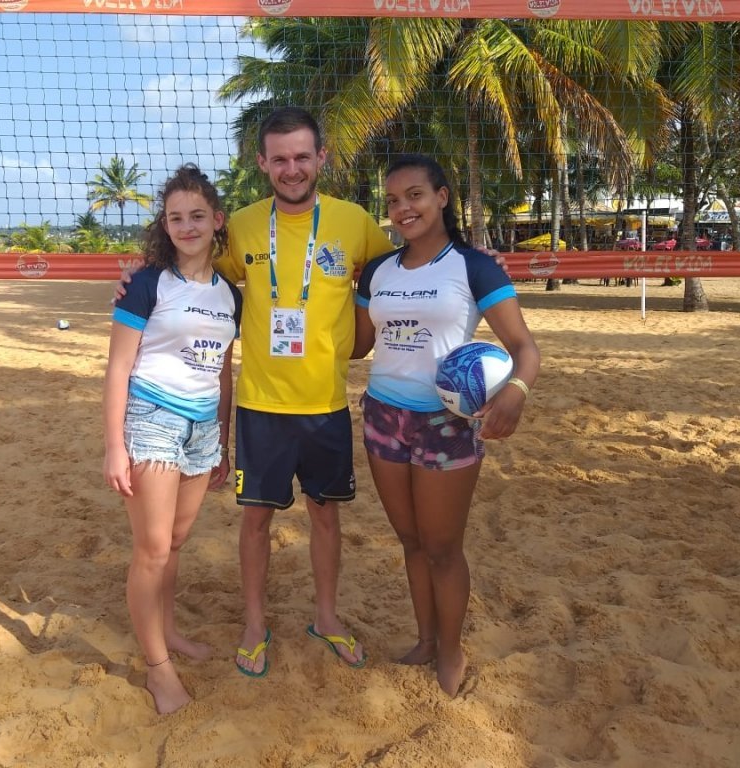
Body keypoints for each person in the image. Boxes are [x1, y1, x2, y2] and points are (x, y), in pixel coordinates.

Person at [115, 108, 509, 679]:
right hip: (259, 404)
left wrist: (481, 259)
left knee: (326, 518)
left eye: (302, 156)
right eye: (279, 158)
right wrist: (136, 275)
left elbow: (415, 254)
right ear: (262, 164)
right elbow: (189, 263)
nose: (292, 168)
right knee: (255, 522)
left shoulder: (354, 223)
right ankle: (254, 623)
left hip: (326, 403)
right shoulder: (243, 226)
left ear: (321, 157)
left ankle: (326, 616)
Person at [352, 154, 540, 697]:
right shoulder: (380, 271)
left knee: (442, 546)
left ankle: (452, 650)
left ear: (442, 197)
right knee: (409, 540)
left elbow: (525, 348)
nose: (402, 209)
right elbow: (361, 345)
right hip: (384, 415)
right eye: (392, 200)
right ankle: (427, 639)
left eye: (413, 195)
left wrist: (516, 392)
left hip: (446, 423)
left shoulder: (475, 267)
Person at [102, 164, 242, 714]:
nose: (186, 226)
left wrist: (222, 441)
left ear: (217, 220)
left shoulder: (230, 292)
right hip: (151, 418)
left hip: (203, 426)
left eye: (197, 216)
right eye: (176, 217)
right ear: (165, 224)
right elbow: (118, 368)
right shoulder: (147, 283)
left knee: (176, 544)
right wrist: (116, 445)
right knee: (153, 549)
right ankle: (158, 671)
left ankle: (169, 630)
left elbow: (223, 371)